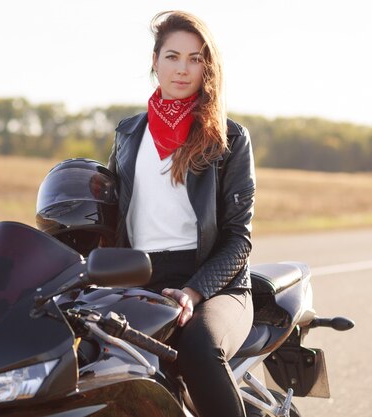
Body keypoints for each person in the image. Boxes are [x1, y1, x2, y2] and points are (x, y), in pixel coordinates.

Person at [107, 10, 256, 417]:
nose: (182, 69)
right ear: (154, 61)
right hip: (139, 277)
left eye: (195, 58)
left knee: (197, 349)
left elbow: (238, 238)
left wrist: (193, 291)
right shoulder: (128, 135)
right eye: (173, 56)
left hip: (213, 283)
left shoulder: (228, 138)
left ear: (207, 66)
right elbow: (108, 218)